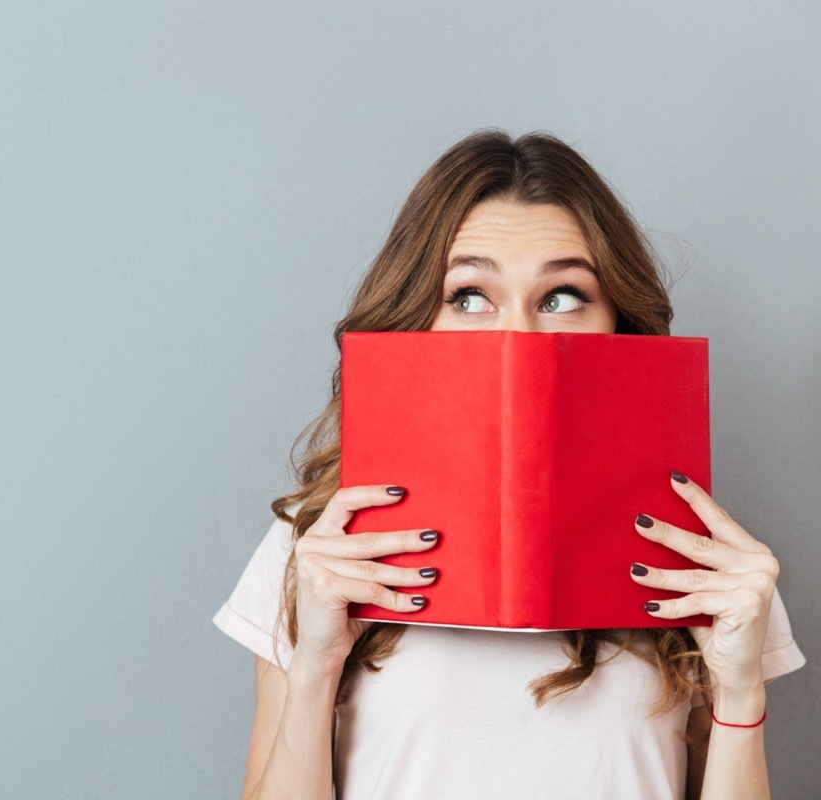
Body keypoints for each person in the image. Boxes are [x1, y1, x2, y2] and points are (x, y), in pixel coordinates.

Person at [213, 130, 806, 800]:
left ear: (618, 320)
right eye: (469, 296)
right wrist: (317, 665)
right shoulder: (316, 546)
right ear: (417, 318)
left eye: (562, 297)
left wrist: (739, 689)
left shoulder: (705, 562)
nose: (518, 335)